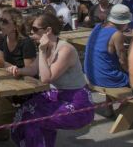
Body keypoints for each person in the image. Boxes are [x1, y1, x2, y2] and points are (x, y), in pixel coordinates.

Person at [12, 13, 94, 146]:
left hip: (76, 102)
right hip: (56, 96)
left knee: (34, 118)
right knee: (24, 110)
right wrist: (17, 70)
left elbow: (45, 78)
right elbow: (33, 69)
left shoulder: (65, 50)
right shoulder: (46, 48)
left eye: (34, 29)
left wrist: (42, 52)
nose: (31, 34)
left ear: (48, 30)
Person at [84, 4, 130, 88]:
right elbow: (123, 61)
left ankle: (109, 100)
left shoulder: (98, 27)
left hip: (91, 75)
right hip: (106, 78)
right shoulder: (117, 34)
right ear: (124, 22)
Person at [0, 8, 37, 77]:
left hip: (27, 82)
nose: (0, 24)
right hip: (10, 77)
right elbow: (1, 62)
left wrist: (4, 64)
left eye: (4, 21)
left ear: (15, 26)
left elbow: (30, 72)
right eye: (0, 20)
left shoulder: (26, 42)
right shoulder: (2, 38)